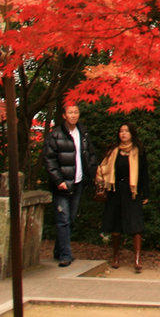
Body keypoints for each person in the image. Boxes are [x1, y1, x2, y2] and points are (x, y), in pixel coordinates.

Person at [43, 101, 97, 267]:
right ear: (64, 115)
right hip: (62, 184)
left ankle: (59, 250)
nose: (73, 115)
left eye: (76, 112)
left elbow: (90, 156)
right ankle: (65, 255)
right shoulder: (55, 135)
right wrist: (58, 180)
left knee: (70, 219)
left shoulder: (83, 133)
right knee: (63, 219)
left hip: (78, 181)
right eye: (70, 112)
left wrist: (94, 175)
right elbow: (49, 160)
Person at [96, 122, 150, 272]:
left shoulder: (138, 151)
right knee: (115, 224)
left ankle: (137, 259)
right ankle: (115, 256)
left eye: (126, 131)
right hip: (115, 189)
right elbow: (103, 167)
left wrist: (146, 193)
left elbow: (144, 173)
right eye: (121, 131)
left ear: (132, 133)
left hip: (132, 191)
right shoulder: (113, 151)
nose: (123, 134)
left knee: (135, 224)